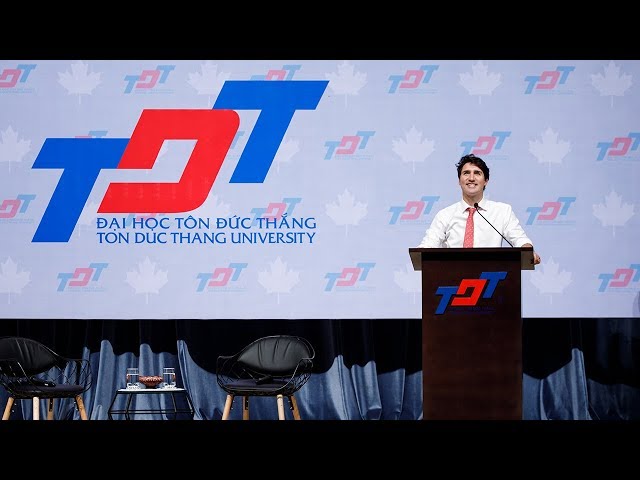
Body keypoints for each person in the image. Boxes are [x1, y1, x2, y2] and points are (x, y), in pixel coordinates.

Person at [417, 153, 541, 265]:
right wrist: (420, 252)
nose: (471, 178)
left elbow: (519, 239)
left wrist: (527, 251)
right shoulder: (445, 215)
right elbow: (429, 244)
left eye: (477, 173)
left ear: (486, 181)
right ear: (459, 181)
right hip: (453, 280)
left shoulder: (502, 211)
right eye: (466, 173)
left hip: (491, 280)